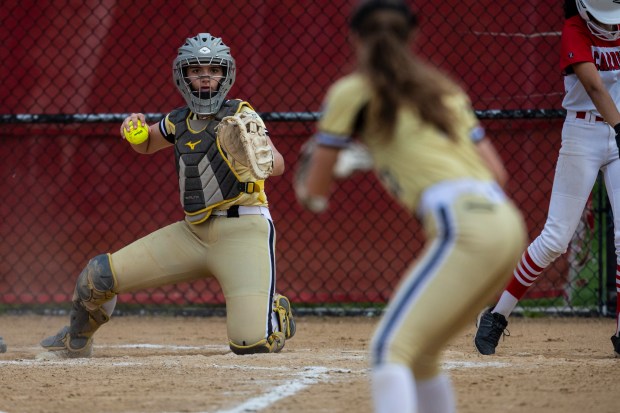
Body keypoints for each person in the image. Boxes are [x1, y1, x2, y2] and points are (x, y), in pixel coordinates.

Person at [294, 1, 527, 412]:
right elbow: (497, 173)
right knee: (420, 357)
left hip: (462, 225)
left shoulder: (352, 91)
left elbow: (315, 192)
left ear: (356, 39)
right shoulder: (443, 89)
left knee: (389, 350)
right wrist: (377, 157)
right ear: (412, 38)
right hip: (507, 223)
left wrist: (313, 172)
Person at [36, 33, 295, 360]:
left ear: (225, 74)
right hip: (192, 233)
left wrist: (261, 159)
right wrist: (135, 132)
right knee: (97, 276)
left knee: (250, 343)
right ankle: (75, 340)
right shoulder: (177, 120)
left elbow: (280, 165)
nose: (204, 76)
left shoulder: (240, 114)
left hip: (243, 231)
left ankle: (276, 314)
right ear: (182, 76)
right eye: (195, 69)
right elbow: (146, 144)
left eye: (213, 69)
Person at [474, 0, 620, 358]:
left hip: (618, 135)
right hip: (583, 134)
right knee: (556, 237)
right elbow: (595, 86)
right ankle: (497, 315)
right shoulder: (574, 29)